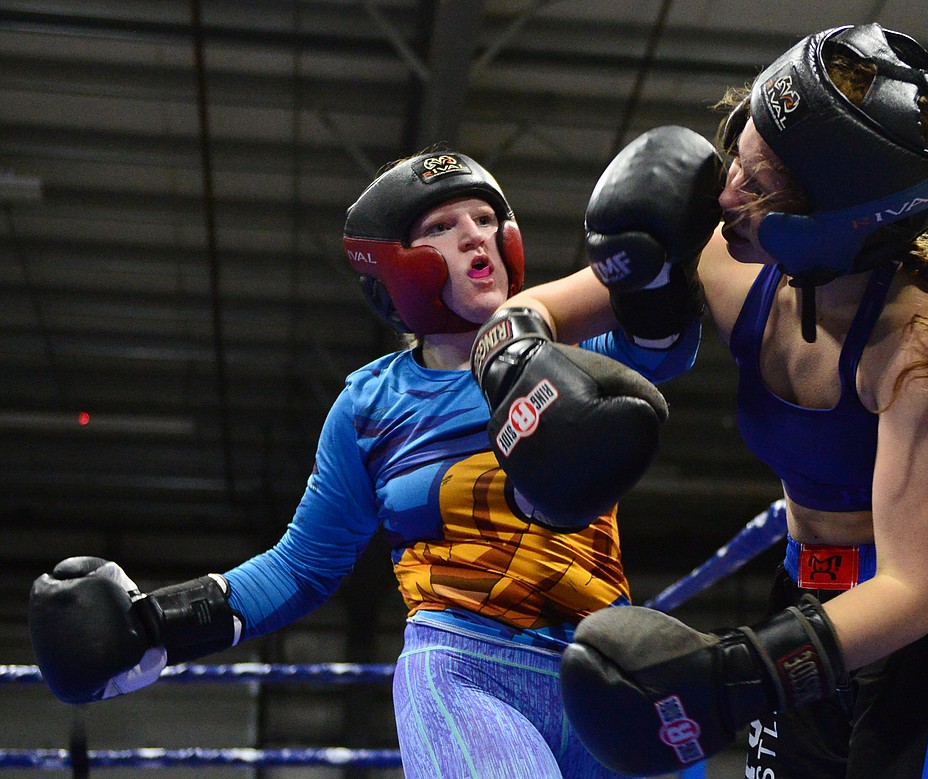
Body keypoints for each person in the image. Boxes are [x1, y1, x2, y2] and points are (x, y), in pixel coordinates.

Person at [26, 148, 718, 779]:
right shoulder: (371, 405)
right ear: (392, 266)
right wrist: (160, 624)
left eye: (485, 217)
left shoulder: (575, 340)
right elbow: (302, 564)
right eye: (443, 227)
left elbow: (665, 347)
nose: (476, 235)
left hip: (611, 665)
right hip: (469, 667)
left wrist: (655, 244)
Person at [529, 23, 928, 779]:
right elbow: (547, 308)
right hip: (810, 589)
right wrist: (513, 348)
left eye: (760, 183)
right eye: (740, 153)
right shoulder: (728, 259)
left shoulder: (923, 351)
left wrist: (735, 668)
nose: (728, 191)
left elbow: (911, 590)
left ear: (837, 214)